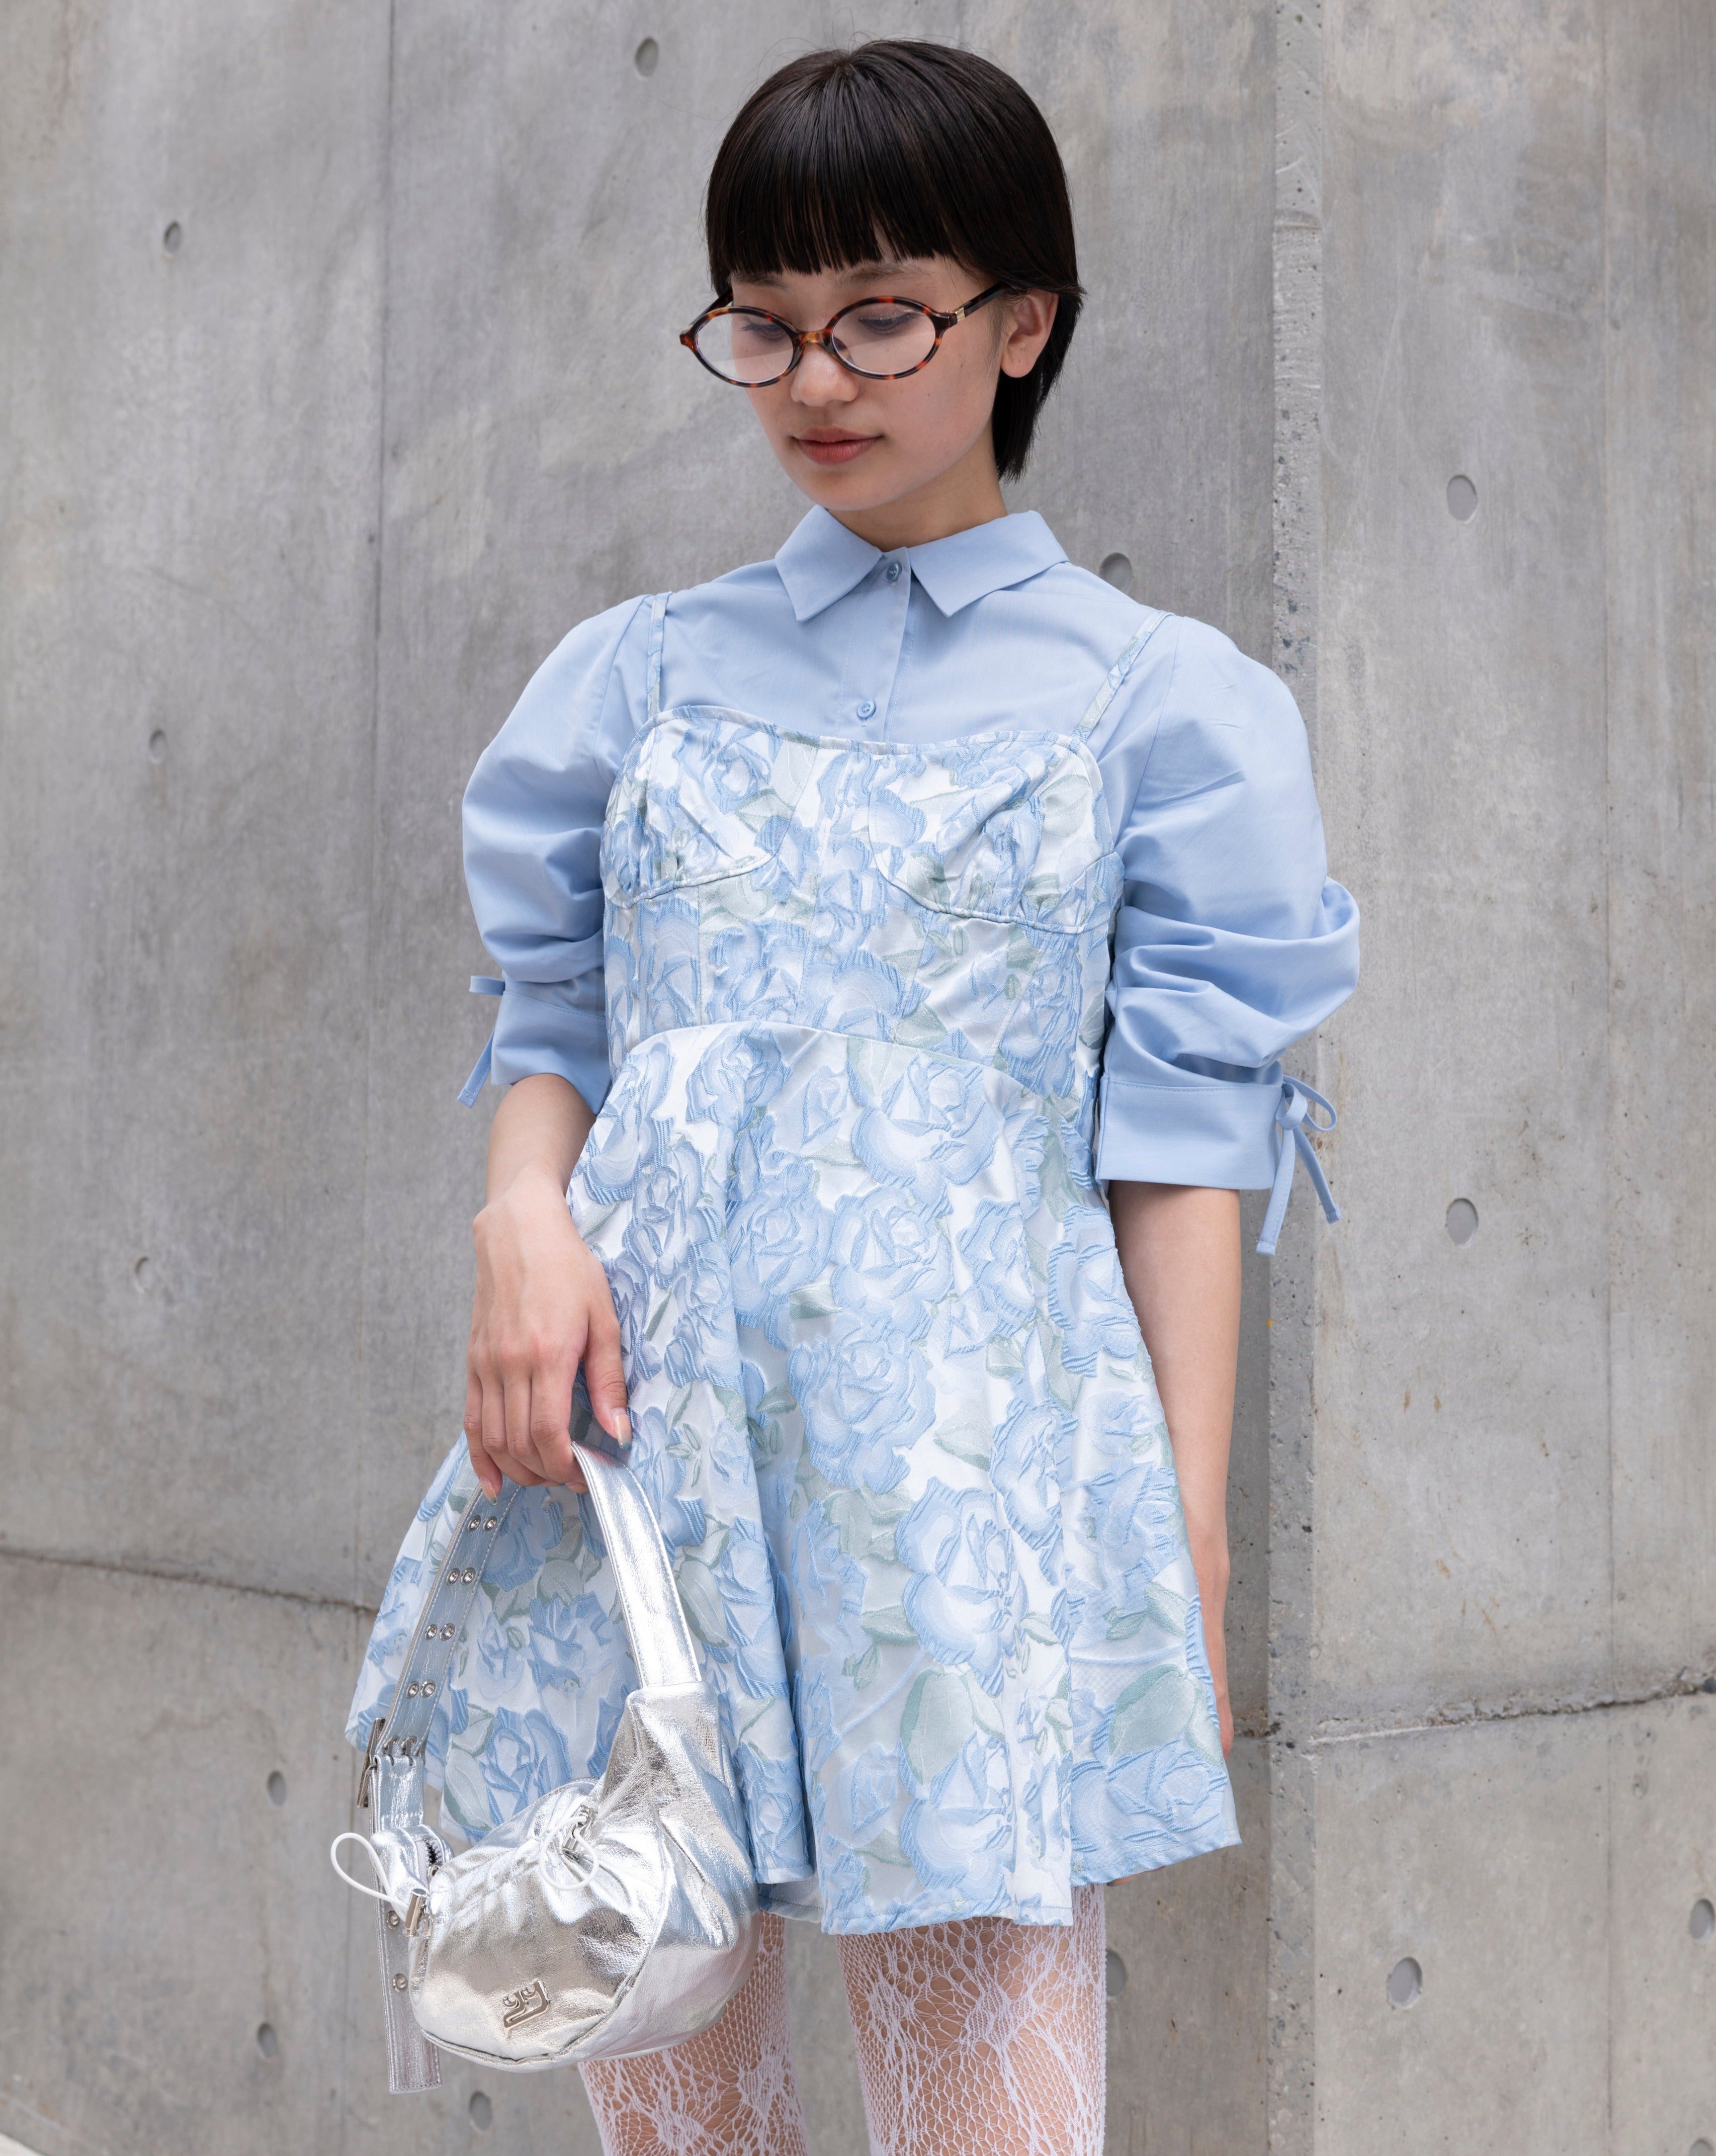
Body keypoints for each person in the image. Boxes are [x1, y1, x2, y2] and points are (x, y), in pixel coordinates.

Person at [349, 38, 1358, 2155]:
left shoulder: (1159, 703)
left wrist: (1176, 1534)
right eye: (767, 323)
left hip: (973, 1487)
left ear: (1022, 323)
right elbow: (555, 1015)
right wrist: (521, 1215)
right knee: (674, 2112)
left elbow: (1184, 1140)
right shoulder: (635, 675)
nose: (815, 378)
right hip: (646, 1445)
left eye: (880, 316)